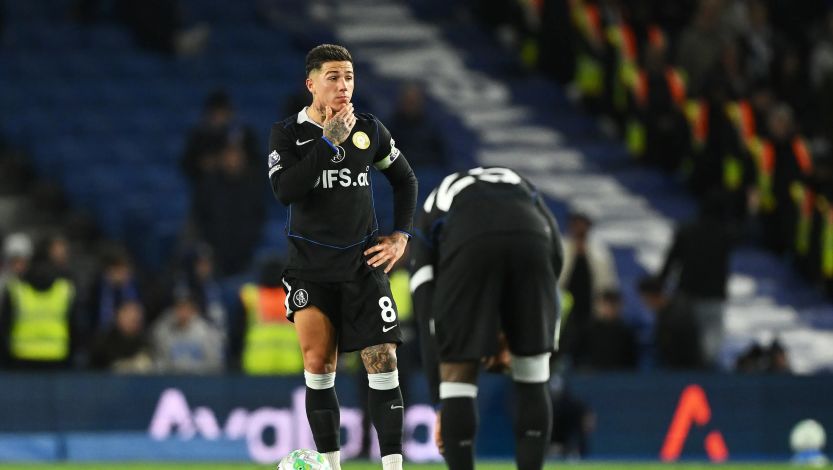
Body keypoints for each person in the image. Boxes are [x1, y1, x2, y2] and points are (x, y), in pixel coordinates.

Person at [267, 44, 417, 470]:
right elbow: (286, 191)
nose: (343, 85)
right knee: (319, 365)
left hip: (362, 266)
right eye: (333, 77)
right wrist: (328, 143)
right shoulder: (287, 133)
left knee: (383, 361)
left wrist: (401, 236)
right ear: (311, 83)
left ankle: (393, 468)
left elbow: (405, 179)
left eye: (349, 77)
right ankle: (330, 466)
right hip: (310, 269)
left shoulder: (370, 129)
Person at [410, 166, 563, 470]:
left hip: (470, 235)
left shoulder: (428, 221)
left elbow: (429, 325)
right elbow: (555, 257)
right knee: (533, 371)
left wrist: (441, 404)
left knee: (457, 372)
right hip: (532, 235)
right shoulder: (519, 183)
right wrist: (523, 329)